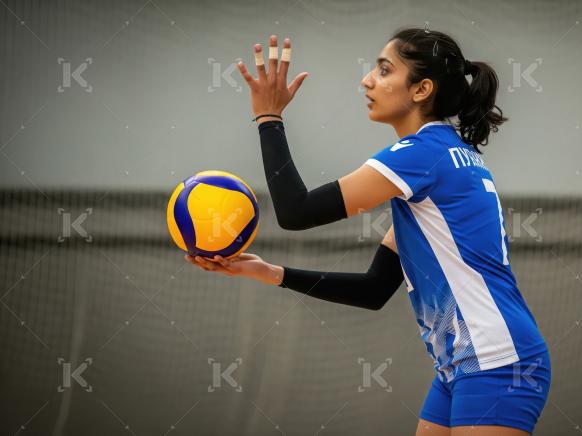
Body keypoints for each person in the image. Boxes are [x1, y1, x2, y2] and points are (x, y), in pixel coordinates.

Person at [187, 28, 551, 435]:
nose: (367, 80)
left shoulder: (422, 154)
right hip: (461, 363)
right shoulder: (441, 163)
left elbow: (295, 210)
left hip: (497, 360)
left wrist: (269, 118)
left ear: (421, 89)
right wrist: (269, 272)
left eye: (384, 70)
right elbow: (375, 288)